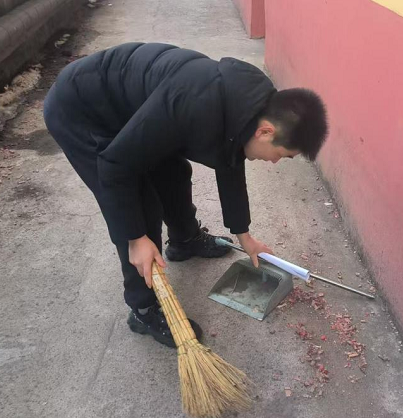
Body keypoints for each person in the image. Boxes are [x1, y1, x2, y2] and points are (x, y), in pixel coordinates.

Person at [44, 43, 328, 347]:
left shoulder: (247, 106)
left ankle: (184, 240)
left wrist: (244, 235)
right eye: (281, 155)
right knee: (140, 205)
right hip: (81, 110)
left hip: (134, 108)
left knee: (174, 171)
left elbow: (229, 157)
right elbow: (114, 167)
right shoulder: (194, 103)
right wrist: (136, 239)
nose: (274, 162)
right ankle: (143, 309)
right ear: (266, 132)